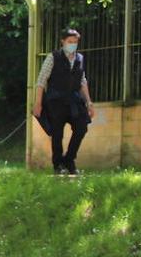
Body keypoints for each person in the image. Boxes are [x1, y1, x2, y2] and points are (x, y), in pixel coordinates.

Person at [33, 28, 96, 175]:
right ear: (63, 42)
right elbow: (41, 81)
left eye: (75, 42)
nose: (72, 45)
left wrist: (89, 102)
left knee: (82, 128)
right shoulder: (53, 57)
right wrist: (38, 103)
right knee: (57, 134)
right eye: (70, 42)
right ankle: (58, 165)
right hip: (56, 101)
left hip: (74, 100)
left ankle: (69, 160)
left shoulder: (80, 58)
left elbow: (82, 81)